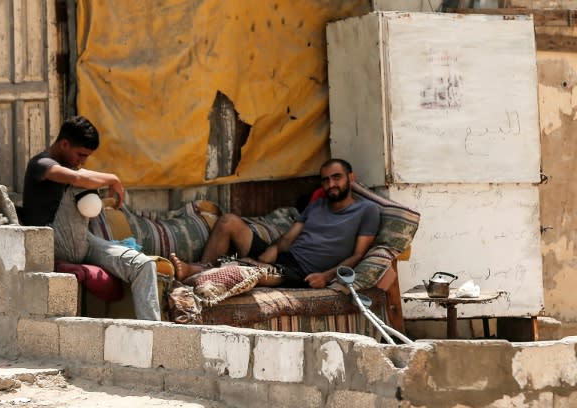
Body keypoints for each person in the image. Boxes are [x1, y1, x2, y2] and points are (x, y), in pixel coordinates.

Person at [22, 116, 161, 320]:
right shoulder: (41, 164)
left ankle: (152, 334)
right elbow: (77, 178)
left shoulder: (73, 167)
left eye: (86, 156)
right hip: (54, 242)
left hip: (82, 241)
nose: (82, 160)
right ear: (64, 144)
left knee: (143, 265)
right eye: (80, 154)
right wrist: (112, 179)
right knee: (79, 182)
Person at [171, 158, 381, 288]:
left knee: (251, 269)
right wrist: (272, 249)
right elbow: (289, 238)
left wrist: (326, 277)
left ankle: (192, 273)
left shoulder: (366, 210)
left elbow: (358, 255)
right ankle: (203, 269)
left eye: (337, 178)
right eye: (325, 180)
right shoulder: (317, 205)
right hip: (284, 258)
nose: (331, 184)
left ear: (350, 178)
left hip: (301, 273)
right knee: (228, 222)